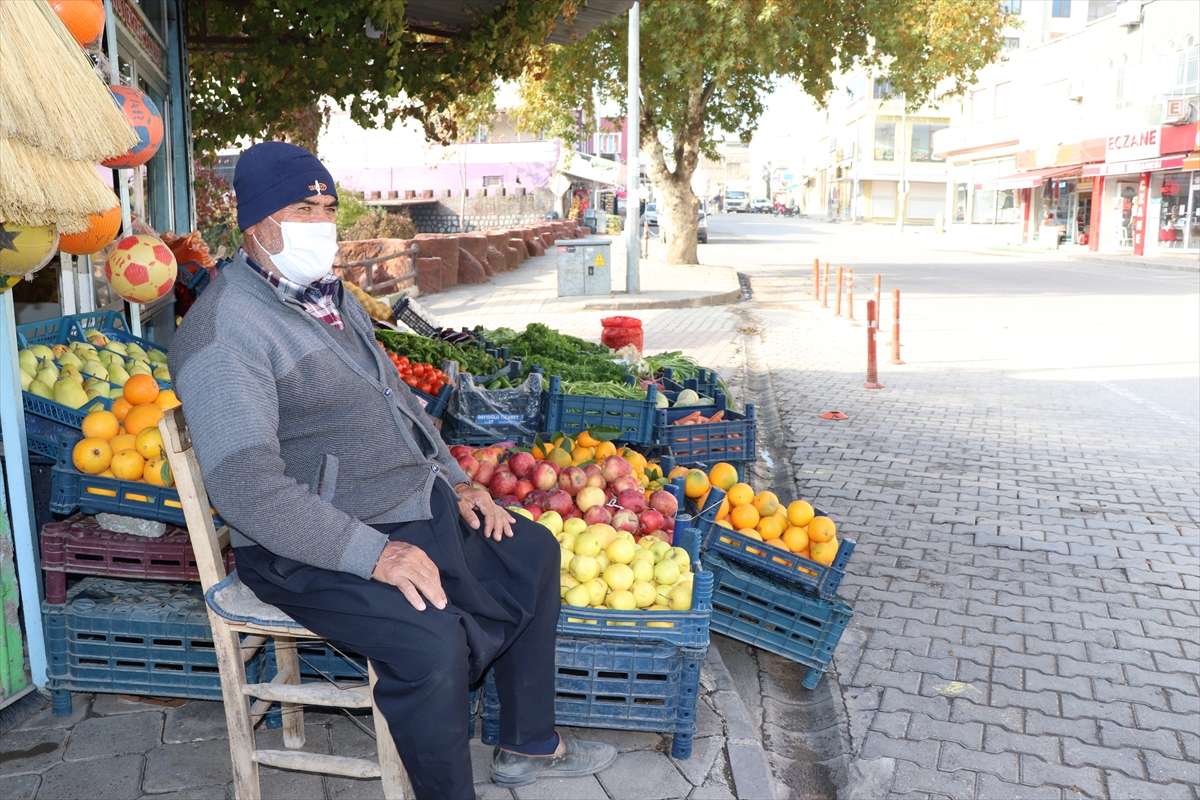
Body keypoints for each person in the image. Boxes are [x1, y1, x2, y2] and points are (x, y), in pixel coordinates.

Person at [169, 142, 616, 799]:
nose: (322, 222)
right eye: (303, 208)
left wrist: (455, 481)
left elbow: (397, 400)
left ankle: (527, 741)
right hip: (309, 543)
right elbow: (246, 488)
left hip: (402, 501)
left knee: (529, 549)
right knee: (430, 639)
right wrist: (373, 556)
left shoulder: (331, 298)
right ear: (259, 222)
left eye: (327, 206)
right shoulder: (223, 332)